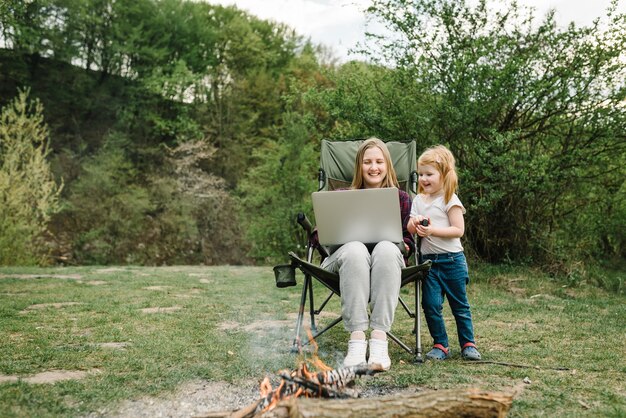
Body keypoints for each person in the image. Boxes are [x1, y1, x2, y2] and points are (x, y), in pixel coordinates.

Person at [319, 138, 413, 371]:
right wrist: (324, 227)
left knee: (386, 247)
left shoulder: (400, 198)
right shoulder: (341, 195)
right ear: (359, 167)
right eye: (367, 162)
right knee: (355, 249)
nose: (374, 167)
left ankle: (379, 340)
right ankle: (357, 341)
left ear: (387, 166)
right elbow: (319, 236)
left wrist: (407, 245)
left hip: (387, 261)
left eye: (379, 161)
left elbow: (407, 240)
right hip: (345, 261)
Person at [407, 145, 481, 361]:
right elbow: (410, 227)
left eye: (429, 174)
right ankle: (440, 344)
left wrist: (432, 231)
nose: (423, 179)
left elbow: (458, 230)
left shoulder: (450, 199)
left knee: (460, 305)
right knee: (430, 304)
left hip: (452, 261)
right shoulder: (419, 200)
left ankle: (468, 344)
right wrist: (414, 224)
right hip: (429, 263)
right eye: (421, 174)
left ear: (444, 174)